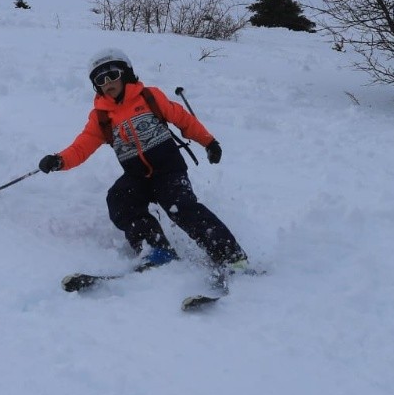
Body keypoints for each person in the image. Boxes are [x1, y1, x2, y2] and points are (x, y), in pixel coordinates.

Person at [38, 48, 249, 271]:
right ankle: (156, 249)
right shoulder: (101, 116)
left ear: (126, 73)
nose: (108, 82)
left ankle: (230, 256)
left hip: (169, 171)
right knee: (119, 200)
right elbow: (82, 146)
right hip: (137, 176)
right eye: (101, 79)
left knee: (182, 207)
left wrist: (209, 142)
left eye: (113, 75)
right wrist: (59, 160)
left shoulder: (150, 97)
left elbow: (183, 119)